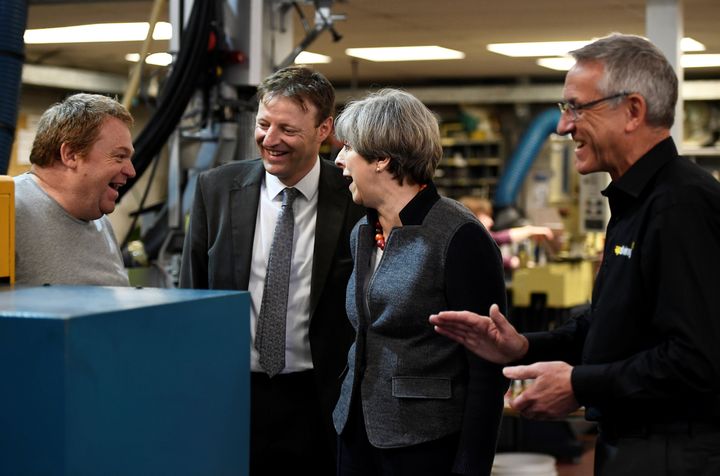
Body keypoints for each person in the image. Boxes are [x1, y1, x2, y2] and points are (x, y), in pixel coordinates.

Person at [430, 33, 720, 475]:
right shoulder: (634, 203)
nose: (564, 126)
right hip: (634, 445)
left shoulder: (680, 206)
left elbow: (697, 358)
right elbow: (615, 325)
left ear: (633, 111)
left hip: (672, 453)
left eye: (575, 108)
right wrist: (524, 346)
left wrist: (579, 384)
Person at [179, 66, 364, 476]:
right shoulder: (217, 189)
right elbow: (191, 292)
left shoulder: (354, 197)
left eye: (287, 129)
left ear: (323, 130)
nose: (270, 139)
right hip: (235, 394)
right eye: (263, 124)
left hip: (321, 398)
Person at [332, 89, 508, 476]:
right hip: (356, 433)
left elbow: (486, 365)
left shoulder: (459, 235)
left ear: (382, 159)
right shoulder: (364, 229)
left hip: (423, 443)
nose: (339, 160)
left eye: (348, 148)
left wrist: (471, 466)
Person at [14, 93, 135, 286]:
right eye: (119, 156)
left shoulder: (101, 222)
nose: (131, 171)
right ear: (70, 155)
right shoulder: (9, 209)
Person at [458, 195, 554, 269]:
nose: (491, 222)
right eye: (485, 216)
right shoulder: (466, 241)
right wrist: (530, 231)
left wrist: (530, 231)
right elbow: (496, 240)